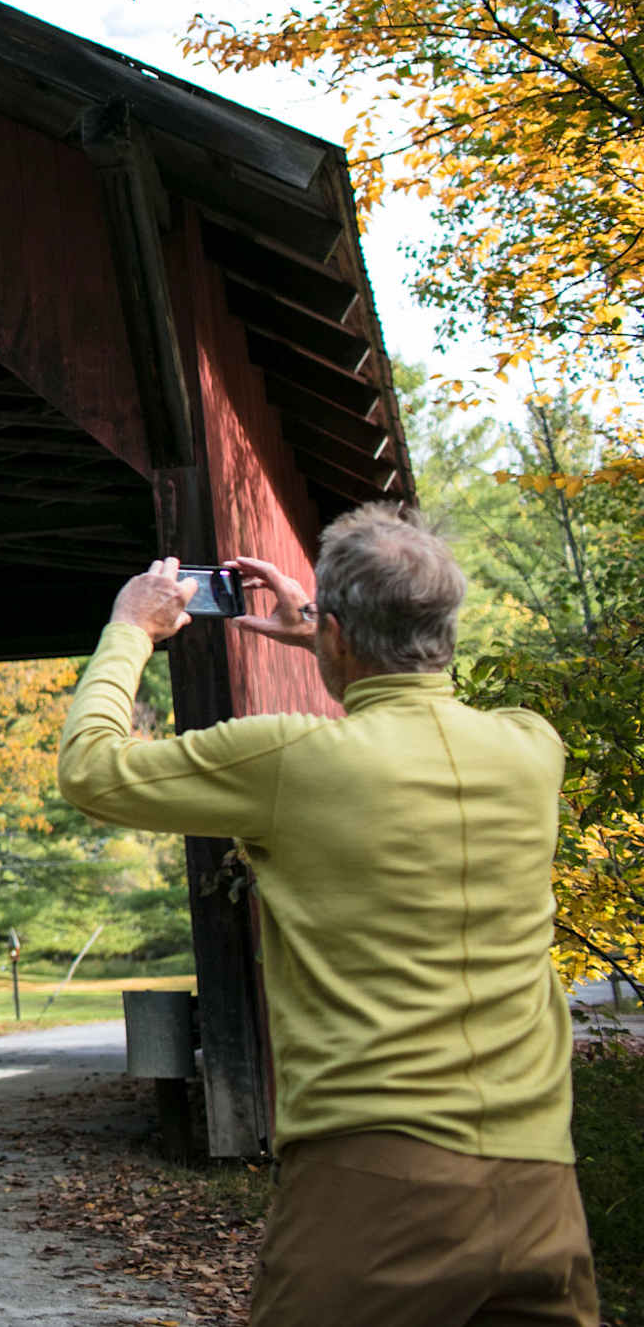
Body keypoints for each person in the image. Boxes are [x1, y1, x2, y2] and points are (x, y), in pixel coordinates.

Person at [60, 510, 597, 1327]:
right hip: (543, 1189)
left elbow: (92, 767)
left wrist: (130, 628)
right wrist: (319, 629)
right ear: (444, 626)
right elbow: (418, 699)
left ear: (338, 636)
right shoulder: (531, 749)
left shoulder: (291, 760)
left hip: (376, 1184)